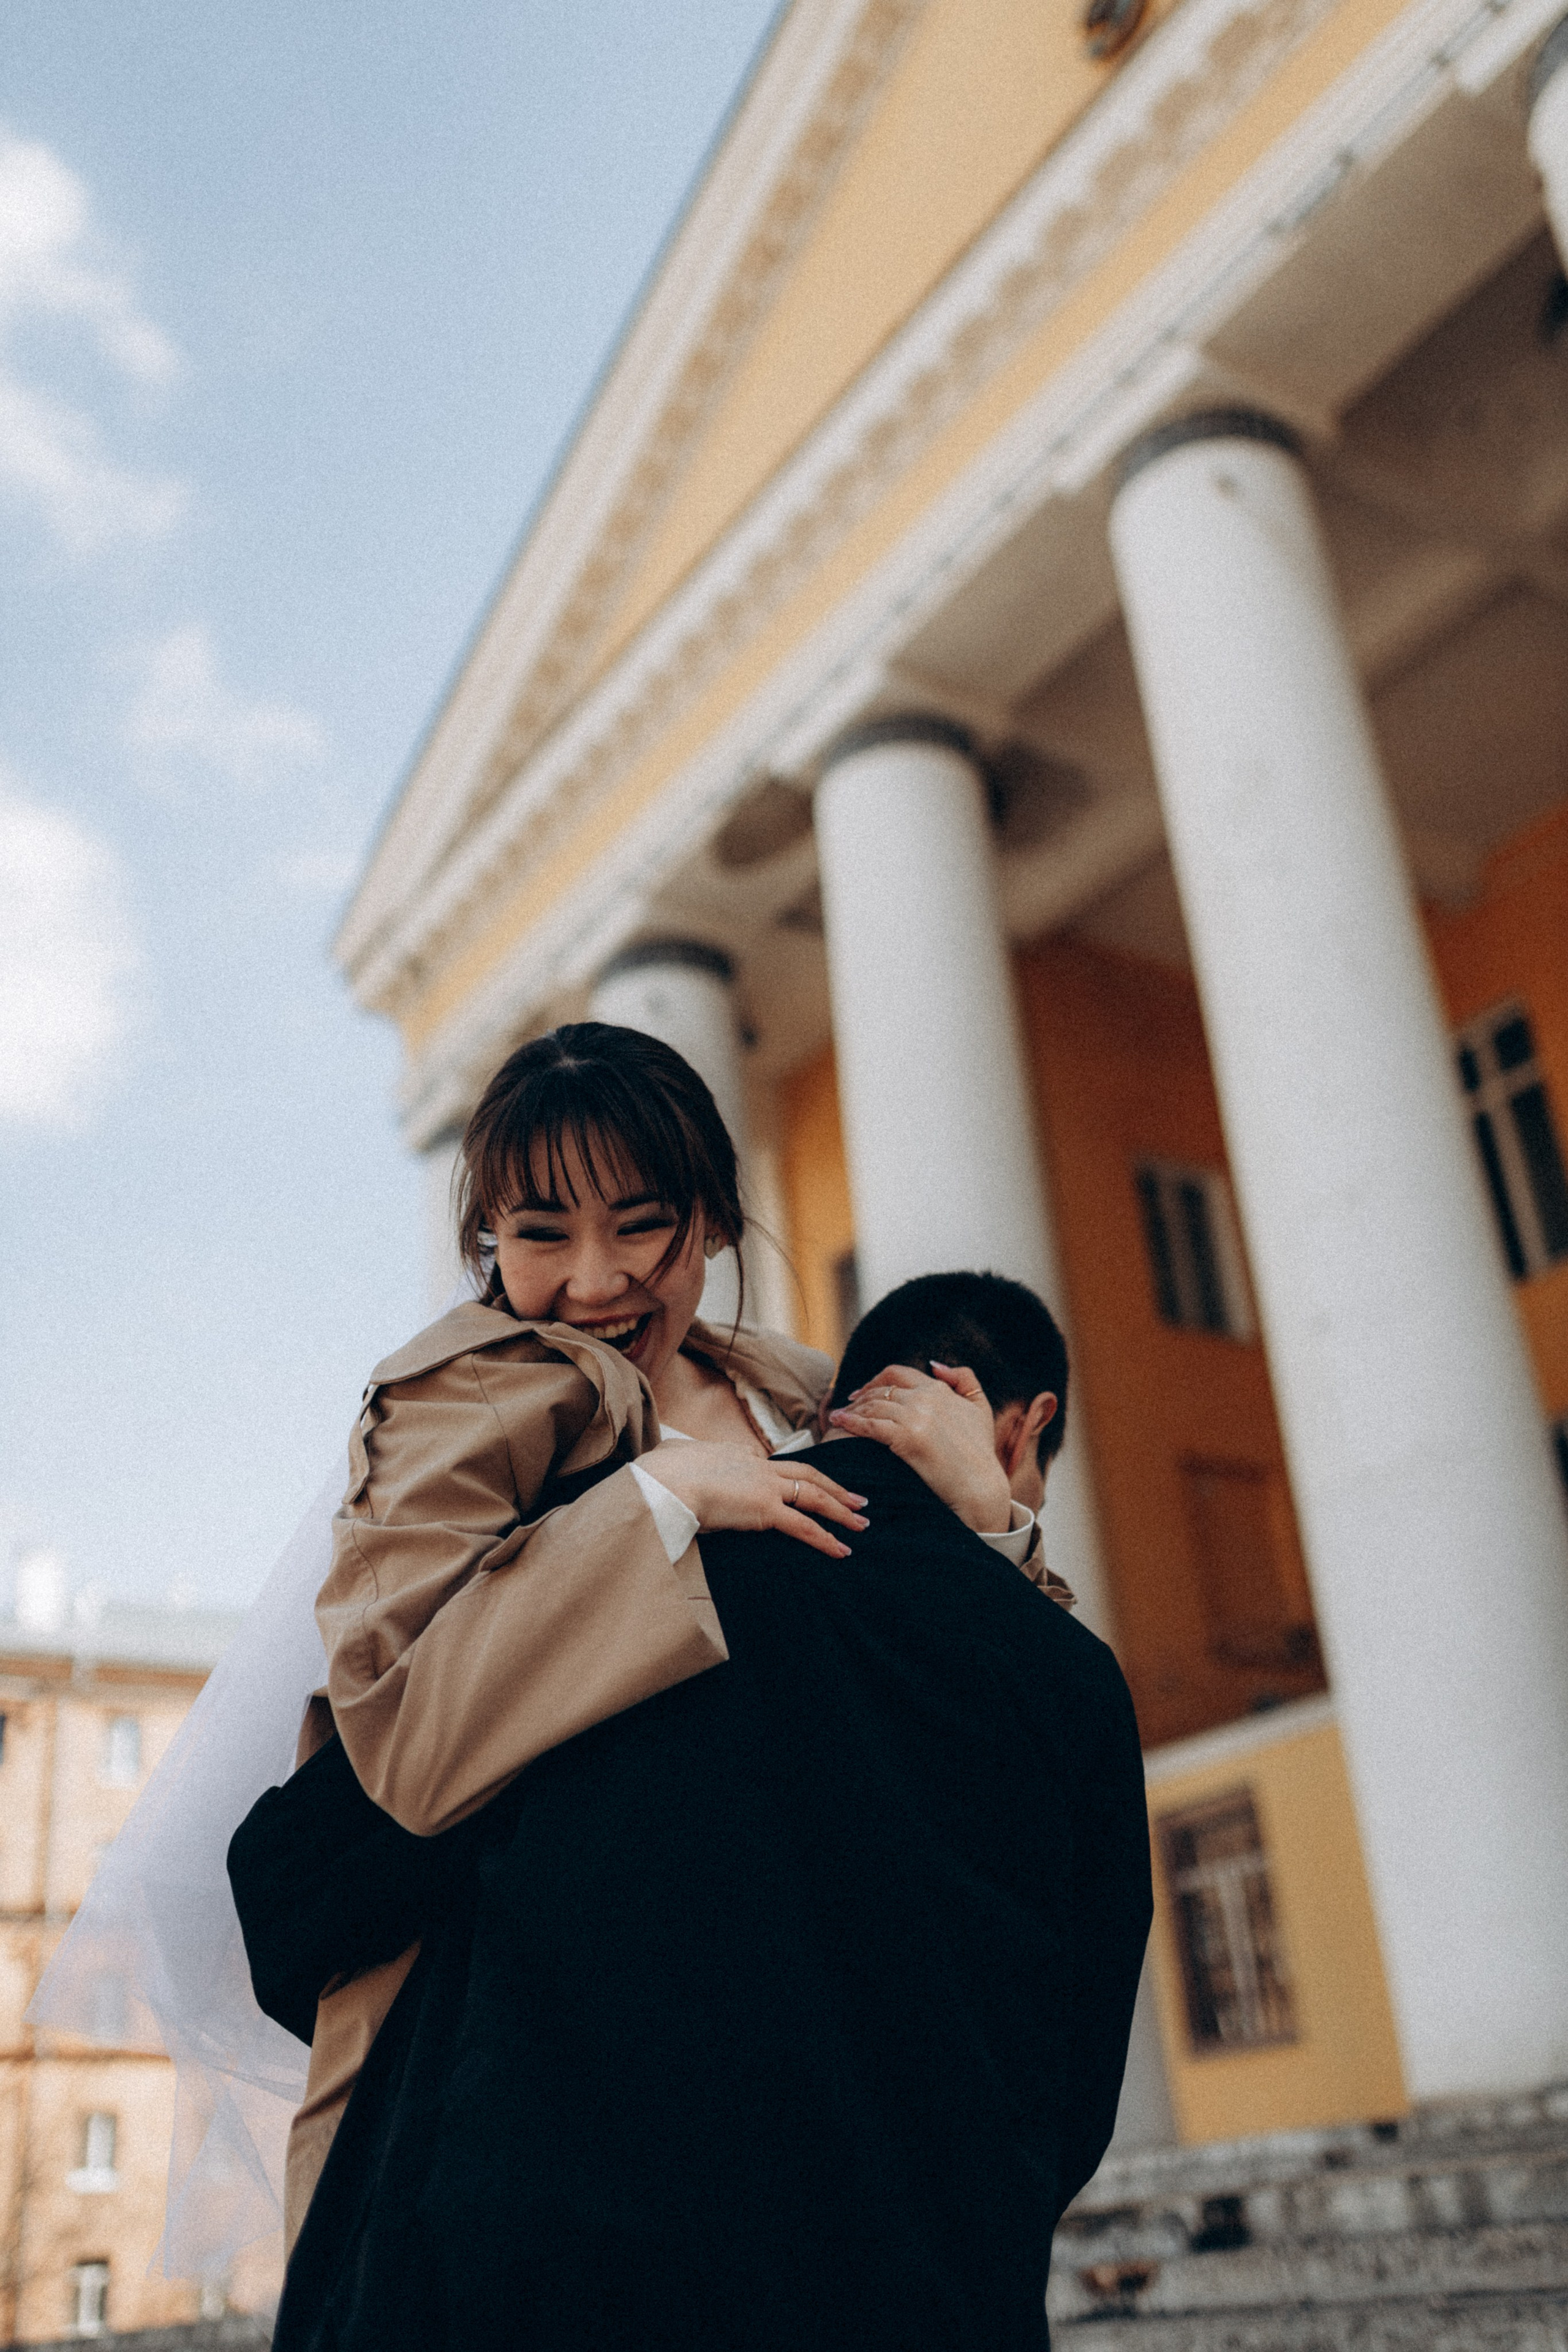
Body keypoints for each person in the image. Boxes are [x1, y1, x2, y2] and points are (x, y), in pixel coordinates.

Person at [238, 1268, 1150, 2351]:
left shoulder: (642, 1574)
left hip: (568, 2285)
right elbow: (1074, 2096)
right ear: (1025, 1426)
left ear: (832, 1408)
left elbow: (298, 1882)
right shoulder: (1073, 1684)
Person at [272, 1026, 1064, 2249]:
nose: (591, 1281)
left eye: (638, 1224)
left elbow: (983, 1715)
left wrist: (988, 1525)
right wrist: (662, 1504)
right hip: (540, 2073)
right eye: (539, 1235)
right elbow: (408, 1742)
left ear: (711, 1220)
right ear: (490, 1240)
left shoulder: (810, 1395)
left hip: (825, 2027)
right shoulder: (454, 1399)